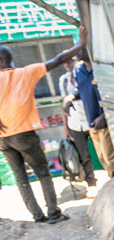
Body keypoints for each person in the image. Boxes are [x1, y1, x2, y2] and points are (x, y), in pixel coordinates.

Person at [0, 29, 86, 223]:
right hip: (24, 134)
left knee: (20, 177)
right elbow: (58, 59)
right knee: (43, 173)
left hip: (3, 138)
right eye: (10, 57)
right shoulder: (25, 73)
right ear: (5, 60)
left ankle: (37, 216)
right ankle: (53, 213)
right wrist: (80, 45)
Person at [73, 49, 114, 177]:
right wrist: (70, 97)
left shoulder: (102, 70)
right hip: (92, 122)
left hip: (105, 122)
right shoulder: (78, 71)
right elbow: (81, 91)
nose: (78, 49)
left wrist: (104, 116)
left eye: (82, 46)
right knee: (103, 159)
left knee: (111, 160)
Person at [59, 60, 98, 198]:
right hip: (74, 123)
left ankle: (113, 176)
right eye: (65, 63)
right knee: (84, 155)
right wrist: (66, 128)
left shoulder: (85, 74)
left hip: (92, 117)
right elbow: (64, 104)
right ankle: (91, 184)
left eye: (70, 62)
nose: (68, 65)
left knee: (102, 150)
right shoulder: (64, 80)